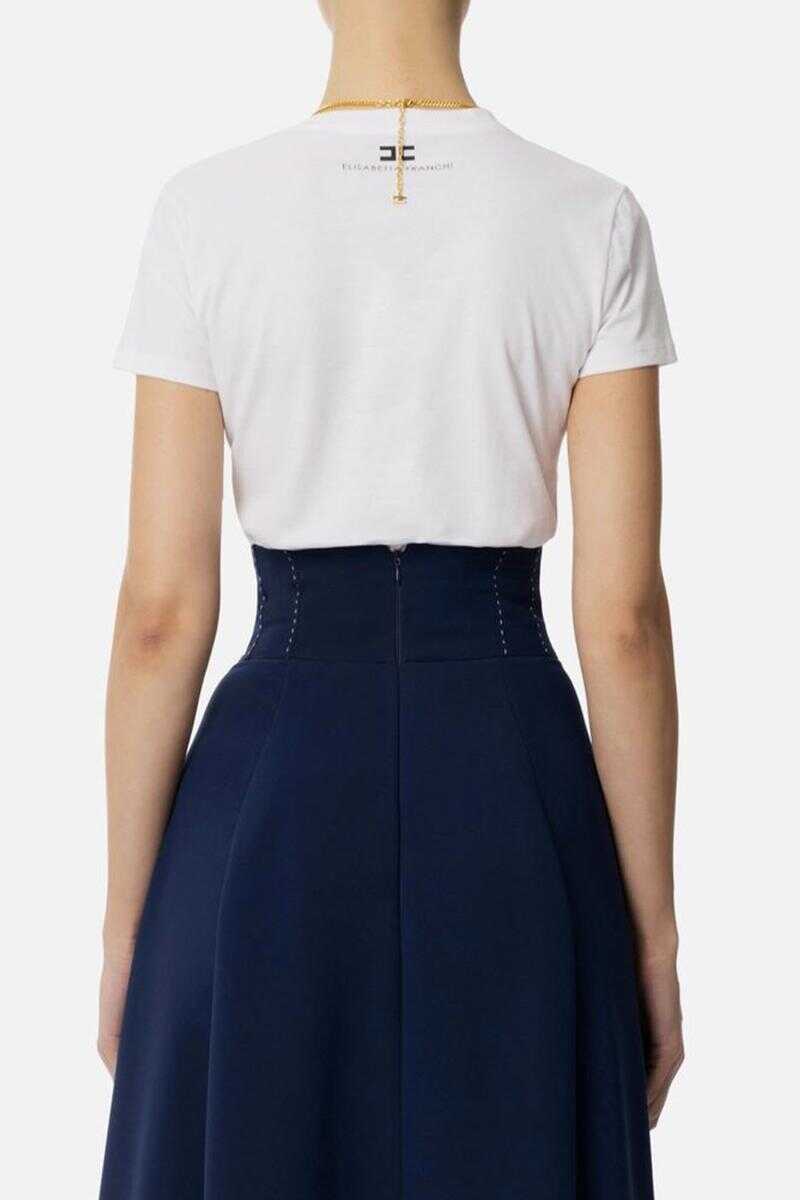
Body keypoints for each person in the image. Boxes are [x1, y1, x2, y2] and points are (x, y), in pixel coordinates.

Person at [98, 1, 684, 1196]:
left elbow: (162, 614)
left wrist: (126, 927)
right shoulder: (590, 215)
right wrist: (653, 937)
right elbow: (621, 619)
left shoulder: (205, 211)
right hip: (512, 769)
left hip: (269, 790)